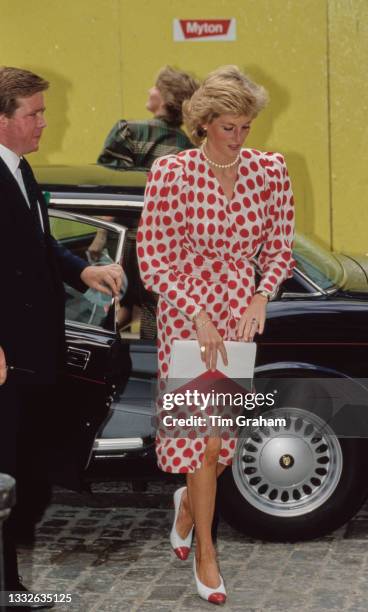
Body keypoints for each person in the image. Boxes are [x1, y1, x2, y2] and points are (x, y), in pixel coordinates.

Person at [136, 65, 295, 604]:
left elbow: (279, 249)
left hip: (240, 317)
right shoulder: (172, 173)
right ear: (203, 123)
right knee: (204, 444)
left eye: (246, 126)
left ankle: (186, 505)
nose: (239, 137)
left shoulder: (270, 170)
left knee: (221, 448)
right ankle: (206, 550)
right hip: (187, 317)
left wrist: (260, 295)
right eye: (229, 127)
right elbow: (153, 260)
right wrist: (199, 314)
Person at [0, 66, 124, 610]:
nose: (44, 123)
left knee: (13, 473)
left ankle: (9, 587)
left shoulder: (20, 171)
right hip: (4, 355)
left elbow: (40, 246)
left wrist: (83, 272)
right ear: (2, 119)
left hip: (31, 351)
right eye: (34, 114)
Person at [97, 65, 198, 170]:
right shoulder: (189, 148)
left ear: (166, 98)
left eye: (156, 87)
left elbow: (111, 178)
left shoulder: (128, 132)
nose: (149, 91)